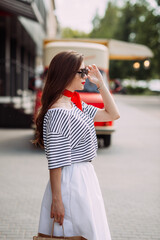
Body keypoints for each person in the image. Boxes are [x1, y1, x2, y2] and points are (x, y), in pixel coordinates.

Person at [33, 50, 120, 240]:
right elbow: (56, 161)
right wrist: (57, 200)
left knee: (87, 233)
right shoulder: (58, 112)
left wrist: (101, 85)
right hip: (71, 181)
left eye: (84, 72)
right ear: (65, 74)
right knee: (77, 234)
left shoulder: (74, 105)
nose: (85, 77)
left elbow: (112, 114)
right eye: (80, 72)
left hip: (83, 179)